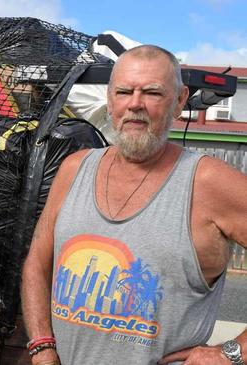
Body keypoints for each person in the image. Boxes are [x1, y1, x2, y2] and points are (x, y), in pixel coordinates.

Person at [20, 45, 247, 365]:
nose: (135, 104)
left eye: (152, 93)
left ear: (180, 101)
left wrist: (233, 353)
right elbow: (37, 263)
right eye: (124, 91)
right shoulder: (75, 169)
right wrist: (42, 347)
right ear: (111, 100)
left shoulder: (207, 182)